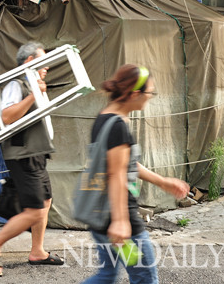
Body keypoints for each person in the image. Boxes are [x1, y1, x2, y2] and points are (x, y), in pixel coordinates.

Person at [81, 64, 190, 284]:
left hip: (101, 216)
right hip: (121, 220)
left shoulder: (105, 118)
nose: (150, 97)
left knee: (107, 276)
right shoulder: (117, 126)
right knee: (145, 279)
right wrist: (121, 222)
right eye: (150, 92)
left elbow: (124, 164)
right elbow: (117, 174)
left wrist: (163, 182)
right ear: (135, 94)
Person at [0, 42, 64, 278]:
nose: (46, 66)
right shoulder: (16, 84)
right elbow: (7, 117)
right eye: (42, 61)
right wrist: (33, 97)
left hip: (36, 153)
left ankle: (37, 251)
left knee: (45, 202)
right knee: (36, 210)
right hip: (22, 154)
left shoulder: (33, 85)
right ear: (30, 61)